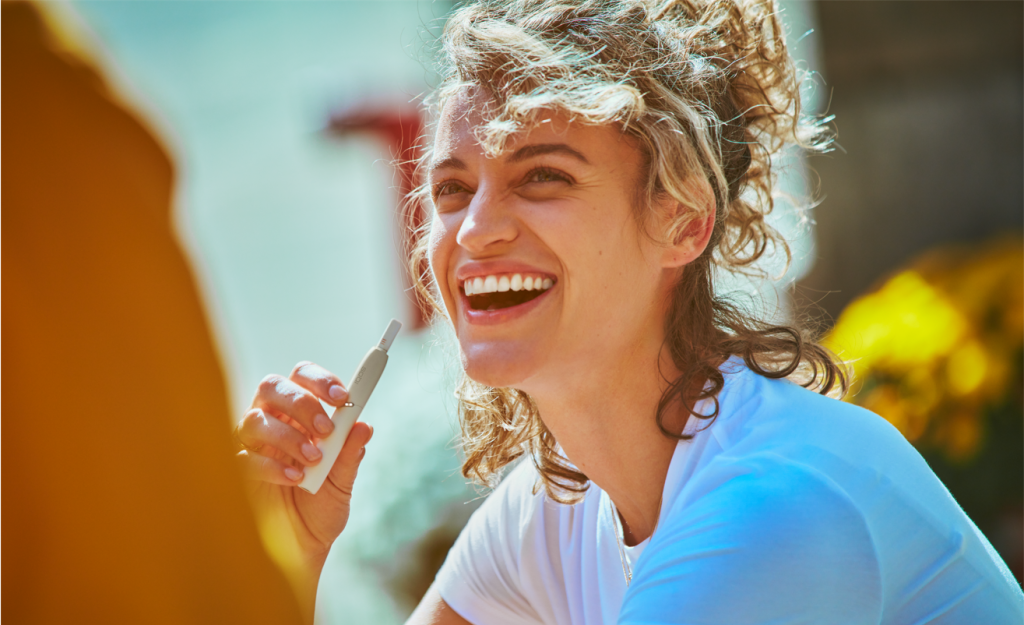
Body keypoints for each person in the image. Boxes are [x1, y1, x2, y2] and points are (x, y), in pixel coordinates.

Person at [234, 0, 1024, 623]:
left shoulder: (766, 511)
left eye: (543, 175)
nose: (475, 228)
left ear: (683, 220)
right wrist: (282, 560)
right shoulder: (557, 506)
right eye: (450, 187)